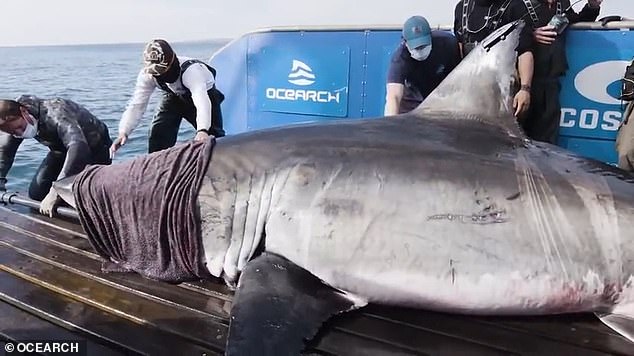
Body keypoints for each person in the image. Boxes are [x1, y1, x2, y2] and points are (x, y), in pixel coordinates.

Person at [110, 39, 226, 156]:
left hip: (205, 94)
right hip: (172, 95)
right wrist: (124, 132)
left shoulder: (193, 72)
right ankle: (157, 166)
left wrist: (202, 130)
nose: (160, 75)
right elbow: (137, 105)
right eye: (157, 73)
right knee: (159, 133)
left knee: (213, 137)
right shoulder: (148, 75)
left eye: (163, 71)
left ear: (172, 62)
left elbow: (202, 102)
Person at [0, 95, 112, 216]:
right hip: (60, 150)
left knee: (85, 197)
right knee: (37, 194)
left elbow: (78, 146)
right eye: (13, 132)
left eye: (20, 128)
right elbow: (5, 152)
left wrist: (57, 190)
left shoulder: (55, 113)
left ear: (24, 112)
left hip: (95, 148)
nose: (18, 133)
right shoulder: (11, 119)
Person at [520, 0, 602, 144]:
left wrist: (592, 6)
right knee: (518, 135)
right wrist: (530, 34)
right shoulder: (518, 4)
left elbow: (576, 20)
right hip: (523, 83)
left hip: (551, 82)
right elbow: (504, 31)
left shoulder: (563, 3)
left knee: (546, 140)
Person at [454, 0, 535, 117]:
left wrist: (525, 89)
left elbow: (525, 51)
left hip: (502, 89)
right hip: (470, 90)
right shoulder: (461, 7)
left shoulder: (515, 5)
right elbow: (460, 46)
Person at [385, 15, 461, 116]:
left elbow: (459, 77)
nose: (420, 50)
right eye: (416, 48)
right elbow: (393, 97)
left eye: (423, 46)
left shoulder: (448, 43)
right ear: (405, 43)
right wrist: (391, 124)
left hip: (440, 102)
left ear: (431, 36)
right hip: (411, 106)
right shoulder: (400, 59)